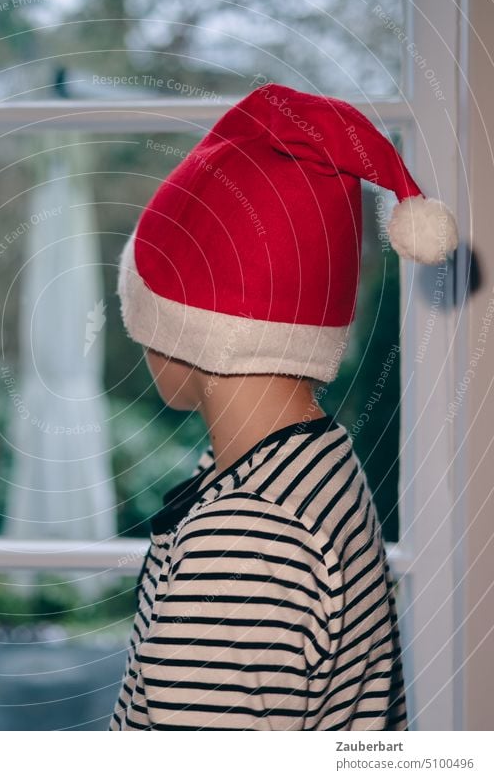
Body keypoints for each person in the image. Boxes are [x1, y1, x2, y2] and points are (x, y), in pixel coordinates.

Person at [109, 81, 459, 731]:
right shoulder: (313, 464)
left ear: (188, 324)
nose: (138, 341)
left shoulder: (243, 547)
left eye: (146, 315)